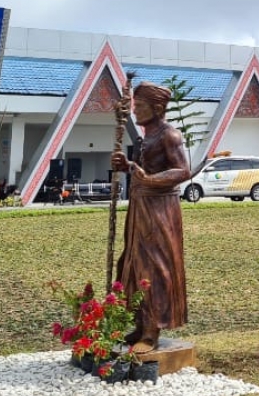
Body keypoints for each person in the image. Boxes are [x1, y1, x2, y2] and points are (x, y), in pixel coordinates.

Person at [110, 81, 191, 353]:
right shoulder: (146, 137)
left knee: (154, 267)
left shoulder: (170, 135)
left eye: (140, 106)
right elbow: (142, 170)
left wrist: (149, 178)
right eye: (134, 106)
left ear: (157, 108)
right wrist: (128, 166)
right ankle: (139, 323)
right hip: (140, 208)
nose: (135, 112)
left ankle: (152, 330)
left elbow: (182, 171)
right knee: (132, 263)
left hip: (160, 212)